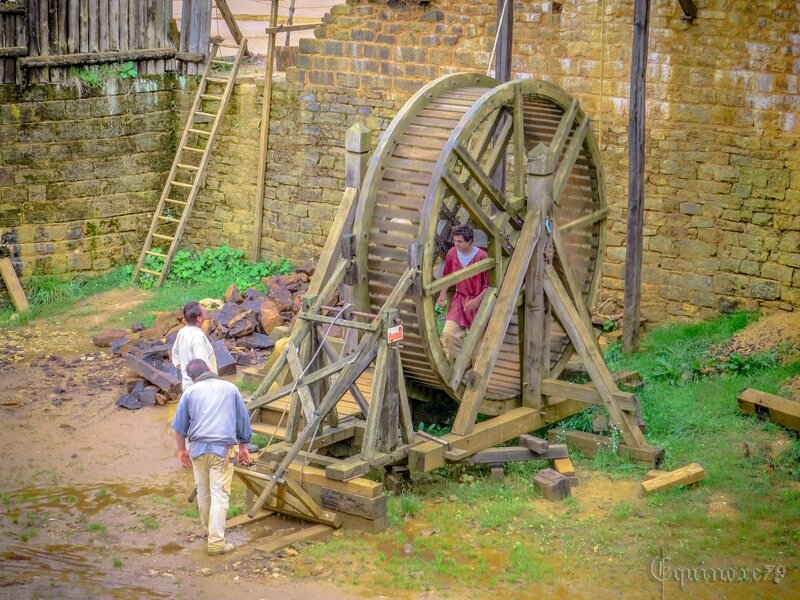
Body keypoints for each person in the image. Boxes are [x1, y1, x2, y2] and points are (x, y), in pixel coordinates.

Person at [172, 358, 252, 556]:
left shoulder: (189, 393)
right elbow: (243, 420)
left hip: (198, 450)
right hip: (222, 450)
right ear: (209, 368)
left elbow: (179, 427)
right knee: (219, 495)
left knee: (204, 492)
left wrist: (182, 451)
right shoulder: (230, 388)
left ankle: (210, 533)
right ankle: (216, 543)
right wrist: (243, 446)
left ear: (192, 378)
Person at [436, 224, 489, 361]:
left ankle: (475, 371)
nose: (456, 244)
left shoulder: (482, 257)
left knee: (478, 343)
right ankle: (462, 365)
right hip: (460, 299)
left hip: (480, 302)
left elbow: (489, 286)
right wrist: (442, 294)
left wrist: (477, 301)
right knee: (449, 334)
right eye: (455, 241)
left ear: (470, 241)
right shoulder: (452, 253)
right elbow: (447, 275)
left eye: (460, 241)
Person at [172, 301, 218, 391]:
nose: (205, 310)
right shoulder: (198, 338)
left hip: (187, 384)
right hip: (202, 387)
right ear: (199, 318)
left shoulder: (182, 332)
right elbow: (203, 363)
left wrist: (185, 371)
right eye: (203, 310)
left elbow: (175, 354)